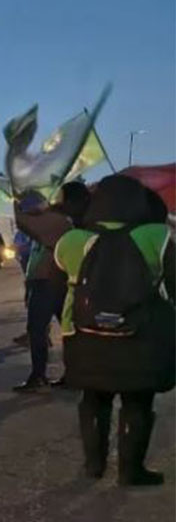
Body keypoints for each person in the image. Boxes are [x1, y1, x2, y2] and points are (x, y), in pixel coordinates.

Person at [55, 175, 174, 486]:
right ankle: (131, 471)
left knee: (93, 399)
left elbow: (62, 277)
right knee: (137, 403)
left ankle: (94, 465)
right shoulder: (157, 236)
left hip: (84, 336)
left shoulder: (72, 240)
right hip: (142, 338)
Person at [13, 182, 90, 393]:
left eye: (60, 196)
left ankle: (39, 376)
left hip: (48, 281)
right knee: (67, 329)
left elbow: (23, 221)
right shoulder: (68, 219)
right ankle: (73, 374)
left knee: (37, 329)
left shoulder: (58, 221)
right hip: (54, 279)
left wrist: (16, 199)